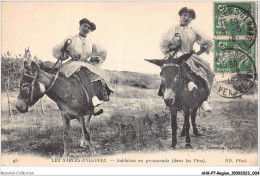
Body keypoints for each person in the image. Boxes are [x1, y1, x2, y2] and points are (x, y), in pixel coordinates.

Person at [159, 7, 215, 112]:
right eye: (184, 15)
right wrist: (170, 53)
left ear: (192, 19)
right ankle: (164, 93)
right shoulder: (173, 28)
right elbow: (164, 43)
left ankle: (203, 100)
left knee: (207, 71)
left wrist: (198, 53)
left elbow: (207, 42)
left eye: (189, 16)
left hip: (189, 55)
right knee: (170, 70)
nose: (187, 18)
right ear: (180, 16)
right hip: (175, 55)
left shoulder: (194, 30)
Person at [52, 18, 110, 107]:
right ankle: (92, 97)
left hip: (86, 63)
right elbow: (59, 49)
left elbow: (103, 51)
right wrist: (66, 50)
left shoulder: (91, 41)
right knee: (81, 69)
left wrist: (95, 58)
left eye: (89, 28)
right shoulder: (71, 37)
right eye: (85, 26)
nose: (86, 29)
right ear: (80, 26)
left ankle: (100, 96)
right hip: (73, 63)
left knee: (101, 74)